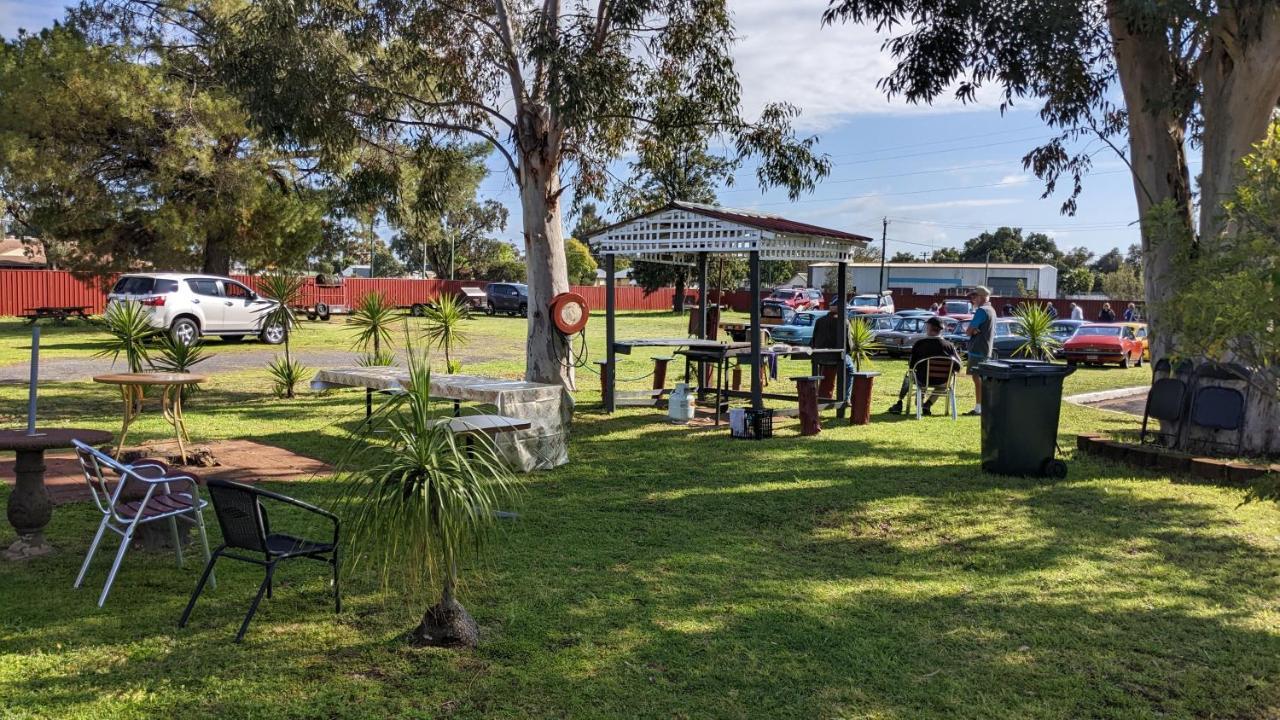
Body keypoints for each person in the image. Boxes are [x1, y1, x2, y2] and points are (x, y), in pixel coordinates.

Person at [887, 316, 960, 415]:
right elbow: (958, 366)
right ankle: (928, 404)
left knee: (915, 376)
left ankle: (909, 402)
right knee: (945, 383)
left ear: (929, 328)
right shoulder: (949, 346)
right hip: (942, 381)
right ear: (941, 330)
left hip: (922, 379)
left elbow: (911, 365)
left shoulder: (920, 344)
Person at [965, 286, 997, 416]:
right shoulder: (992, 310)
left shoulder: (981, 311)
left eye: (975, 296)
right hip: (986, 349)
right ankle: (982, 406)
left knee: (977, 378)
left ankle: (979, 408)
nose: (973, 299)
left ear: (982, 297)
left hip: (978, 350)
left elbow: (968, 331)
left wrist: (973, 330)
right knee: (982, 379)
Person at [810, 310, 855, 402]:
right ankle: (846, 398)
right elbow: (849, 343)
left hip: (820, 357)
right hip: (837, 357)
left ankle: (822, 395)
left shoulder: (819, 320)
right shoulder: (844, 322)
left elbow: (813, 340)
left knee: (826, 369)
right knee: (850, 369)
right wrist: (850, 351)